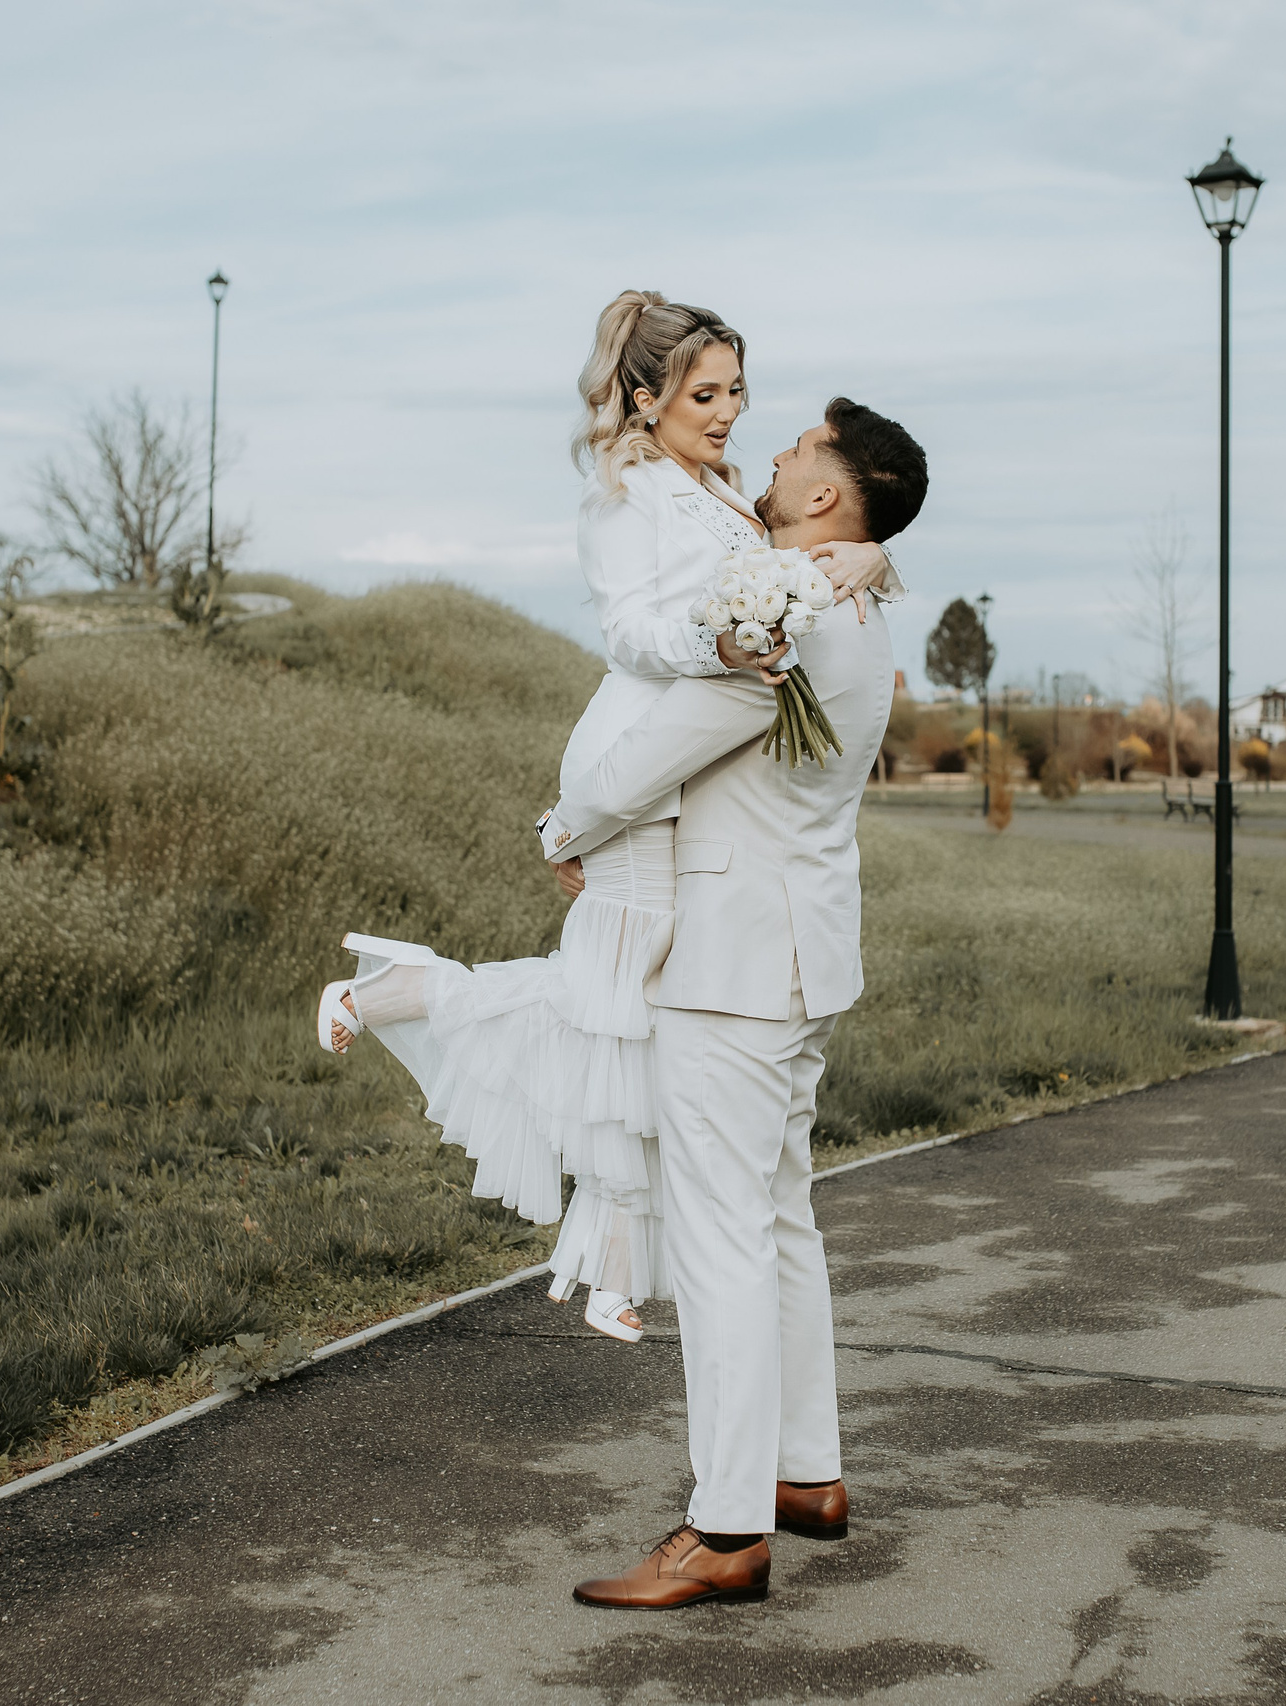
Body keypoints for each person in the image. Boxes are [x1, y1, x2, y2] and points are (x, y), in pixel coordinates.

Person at [316, 292, 895, 1343]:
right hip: (635, 753)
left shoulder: (716, 486)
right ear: (645, 396)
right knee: (609, 999)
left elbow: (802, 550)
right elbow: (632, 629)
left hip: (680, 767)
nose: (727, 414)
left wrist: (865, 554)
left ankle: (613, 1259)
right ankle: (407, 990)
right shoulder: (626, 494)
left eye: (737, 394)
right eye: (704, 393)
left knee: (637, 1011)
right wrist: (710, 650)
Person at [543, 397, 927, 1608]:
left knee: (718, 1239)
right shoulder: (851, 602)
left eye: (799, 449)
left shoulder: (779, 626)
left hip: (729, 971)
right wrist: (870, 549)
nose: (771, 452)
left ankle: (723, 1529)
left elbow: (661, 744)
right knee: (774, 1219)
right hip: (797, 957)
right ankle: (803, 1475)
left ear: (827, 494)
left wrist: (563, 825)